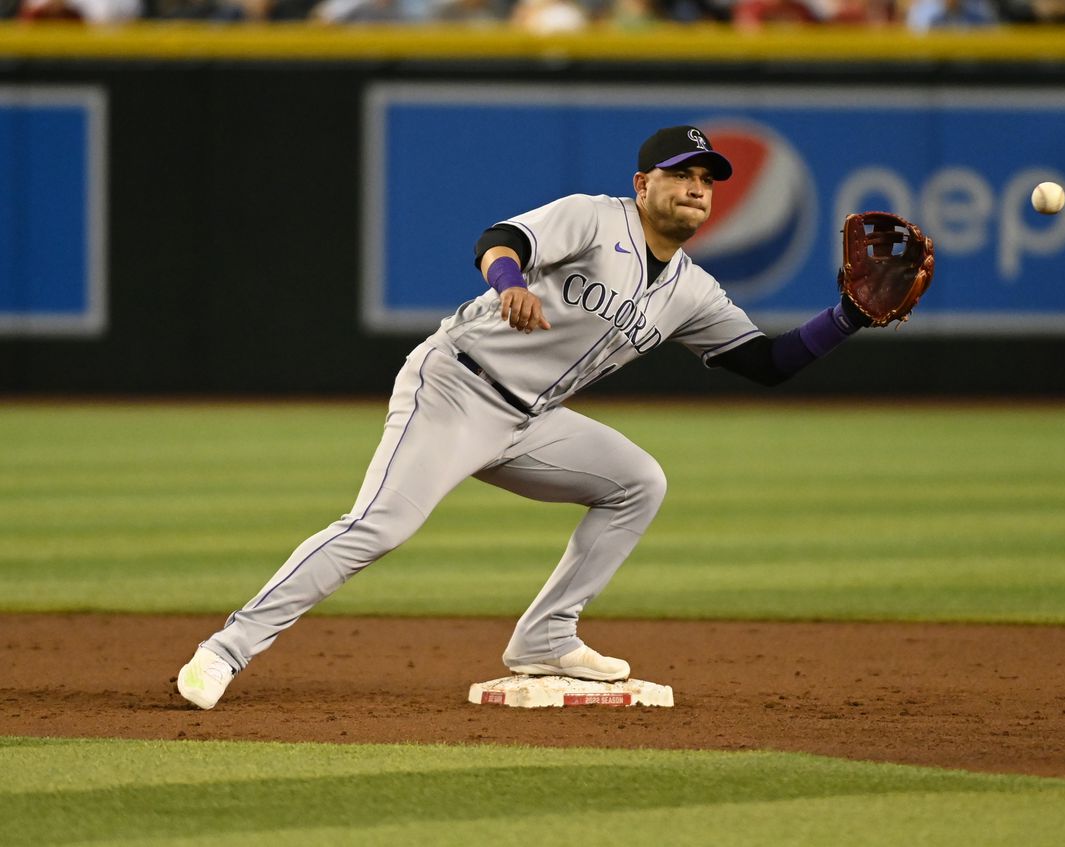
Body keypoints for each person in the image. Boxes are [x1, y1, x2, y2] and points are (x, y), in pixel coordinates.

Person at [177, 125, 886, 710]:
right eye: (682, 175)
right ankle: (225, 650)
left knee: (638, 481)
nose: (698, 187)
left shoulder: (693, 291)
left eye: (708, 179)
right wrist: (509, 283)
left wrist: (847, 317)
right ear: (645, 186)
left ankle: (547, 635)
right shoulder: (595, 215)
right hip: (455, 385)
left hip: (529, 417)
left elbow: (765, 361)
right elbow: (500, 238)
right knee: (380, 525)